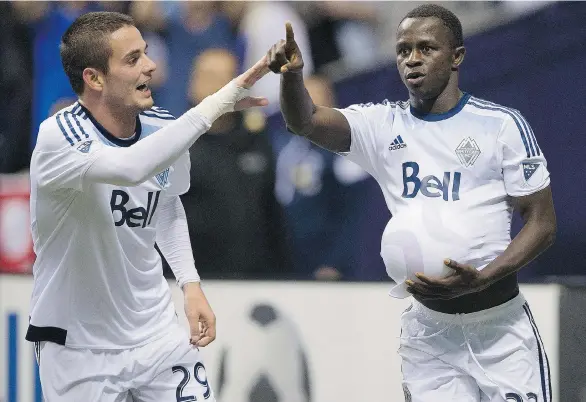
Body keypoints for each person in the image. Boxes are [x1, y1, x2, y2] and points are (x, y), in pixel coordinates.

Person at [266, 4, 556, 402]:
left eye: (426, 48)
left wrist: (486, 276)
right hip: (429, 334)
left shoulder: (501, 125)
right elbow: (305, 121)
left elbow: (542, 223)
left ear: (457, 57)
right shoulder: (382, 126)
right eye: (403, 50)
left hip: (500, 330)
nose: (413, 60)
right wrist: (293, 77)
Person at [26, 11, 269, 402]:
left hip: (156, 334)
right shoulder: (60, 136)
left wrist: (190, 285)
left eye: (146, 53)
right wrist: (217, 103)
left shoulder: (161, 126)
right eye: (133, 59)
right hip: (79, 346)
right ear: (94, 78)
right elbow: (129, 168)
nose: (151, 66)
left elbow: (166, 204)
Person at [181, 47, 292, 280]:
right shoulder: (174, 144)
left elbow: (271, 212)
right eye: (209, 77)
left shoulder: (257, 139)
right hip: (193, 281)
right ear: (192, 84)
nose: (218, 88)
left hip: (256, 279)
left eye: (226, 80)